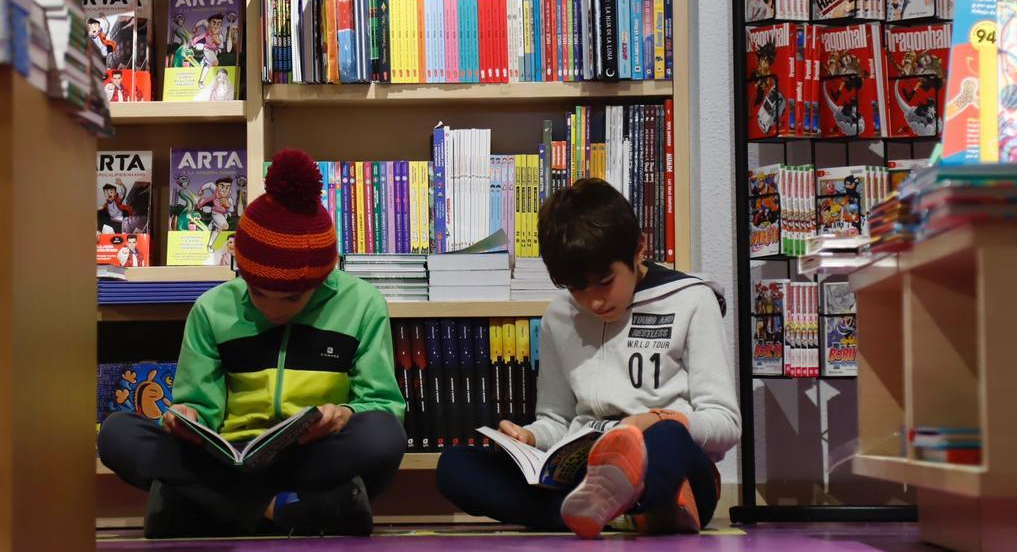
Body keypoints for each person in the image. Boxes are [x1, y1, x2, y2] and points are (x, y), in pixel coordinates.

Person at [97, 149, 407, 539]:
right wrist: (186, 418)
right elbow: (200, 406)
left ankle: (205, 508)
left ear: (322, 278)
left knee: (383, 435)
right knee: (117, 434)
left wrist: (344, 414)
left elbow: (384, 406)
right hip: (229, 457)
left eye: (293, 299)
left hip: (311, 455)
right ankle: (290, 510)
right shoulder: (212, 310)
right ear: (241, 271)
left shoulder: (361, 304)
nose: (273, 309)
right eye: (258, 293)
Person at [436, 178, 740, 538]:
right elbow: (557, 419)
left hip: (670, 461)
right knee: (455, 466)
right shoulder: (559, 316)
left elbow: (725, 422)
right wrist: (530, 438)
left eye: (605, 281)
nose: (594, 301)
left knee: (668, 439)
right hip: (584, 466)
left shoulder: (691, 300)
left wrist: (656, 419)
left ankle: (607, 507)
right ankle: (632, 513)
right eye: (577, 289)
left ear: (639, 249)